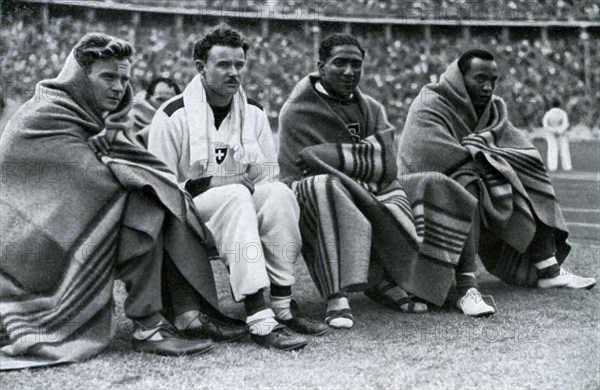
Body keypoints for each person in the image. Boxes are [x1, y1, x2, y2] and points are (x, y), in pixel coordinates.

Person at [0, 33, 248, 370]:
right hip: (30, 246)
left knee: (156, 196)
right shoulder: (44, 117)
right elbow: (90, 181)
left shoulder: (100, 119)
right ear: (79, 77)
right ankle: (150, 325)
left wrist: (147, 179)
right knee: (144, 204)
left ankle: (185, 313)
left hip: (63, 228)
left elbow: (131, 164)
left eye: (125, 78)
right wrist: (146, 180)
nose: (119, 87)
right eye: (108, 77)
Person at [278, 33, 487, 324]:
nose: (350, 72)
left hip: (374, 185)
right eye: (340, 63)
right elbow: (296, 168)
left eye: (356, 64)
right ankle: (336, 294)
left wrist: (330, 155)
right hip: (317, 191)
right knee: (323, 186)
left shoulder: (372, 108)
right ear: (321, 66)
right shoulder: (296, 110)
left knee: (438, 183)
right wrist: (358, 159)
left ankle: (447, 284)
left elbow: (387, 161)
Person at [146, 24, 328, 351]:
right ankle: (259, 318)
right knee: (234, 194)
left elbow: (265, 177)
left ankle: (283, 304)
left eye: (239, 65)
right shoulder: (172, 114)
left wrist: (243, 187)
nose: (234, 73)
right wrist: (210, 182)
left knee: (279, 194)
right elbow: (159, 188)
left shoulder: (253, 112)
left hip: (238, 216)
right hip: (188, 222)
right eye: (223, 65)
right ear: (201, 67)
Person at [396, 49, 596, 304]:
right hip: (425, 185)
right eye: (480, 79)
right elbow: (424, 151)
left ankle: (549, 269)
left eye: (493, 81)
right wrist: (485, 158)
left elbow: (516, 147)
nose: (488, 87)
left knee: (525, 167)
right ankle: (466, 285)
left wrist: (492, 158)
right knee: (468, 183)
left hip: (473, 175)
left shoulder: (493, 108)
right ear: (459, 78)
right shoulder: (430, 102)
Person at [131, 77, 181, 146]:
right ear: (148, 99)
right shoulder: (131, 117)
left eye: (170, 101)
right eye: (160, 100)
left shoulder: (179, 125)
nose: (165, 105)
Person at [541, 98, 572, 171]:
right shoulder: (563, 113)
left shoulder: (548, 114)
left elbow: (545, 125)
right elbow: (565, 124)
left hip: (551, 134)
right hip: (561, 134)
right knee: (564, 150)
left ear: (551, 105)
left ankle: (552, 167)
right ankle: (567, 166)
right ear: (560, 104)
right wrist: (559, 131)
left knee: (552, 150)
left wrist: (553, 131)